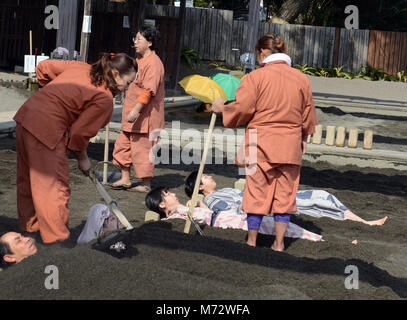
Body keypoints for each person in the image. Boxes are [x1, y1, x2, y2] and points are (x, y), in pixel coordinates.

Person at [13, 53, 137, 244]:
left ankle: (29, 233)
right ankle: (56, 243)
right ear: (114, 73)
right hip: (47, 131)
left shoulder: (81, 67)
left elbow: (43, 68)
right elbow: (79, 134)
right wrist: (82, 158)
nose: (126, 89)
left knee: (29, 182)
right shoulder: (104, 99)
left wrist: (55, 94)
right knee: (54, 190)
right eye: (127, 83)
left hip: (26, 119)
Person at [211, 33, 318, 251]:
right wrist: (303, 137)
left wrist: (222, 109)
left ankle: (252, 241)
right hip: (289, 144)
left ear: (261, 52)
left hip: (260, 144)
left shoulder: (255, 78)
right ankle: (279, 244)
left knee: (256, 192)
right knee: (285, 195)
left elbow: (242, 108)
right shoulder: (301, 79)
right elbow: (308, 115)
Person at [185, 171, 388, 227]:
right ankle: (364, 222)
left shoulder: (220, 192)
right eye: (206, 177)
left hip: (268, 200)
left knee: (318, 204)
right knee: (320, 199)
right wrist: (199, 204)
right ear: (201, 187)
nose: (211, 177)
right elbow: (228, 211)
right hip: (267, 206)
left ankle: (361, 221)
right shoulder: (211, 200)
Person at [145, 187, 323, 243]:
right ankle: (314, 239)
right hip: (224, 223)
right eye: (167, 194)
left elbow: (204, 212)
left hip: (224, 217)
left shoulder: (185, 208)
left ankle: (314, 237)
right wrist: (185, 212)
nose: (173, 194)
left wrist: (198, 204)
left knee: (268, 222)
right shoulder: (172, 220)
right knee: (268, 226)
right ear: (162, 204)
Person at [109, 26, 165, 193]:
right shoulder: (137, 61)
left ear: (150, 42)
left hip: (145, 116)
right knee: (122, 145)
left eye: (139, 39)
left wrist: (136, 110)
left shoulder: (154, 64)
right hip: (130, 114)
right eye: (135, 39)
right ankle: (125, 179)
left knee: (142, 150)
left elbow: (149, 91)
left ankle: (145, 183)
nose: (135, 42)